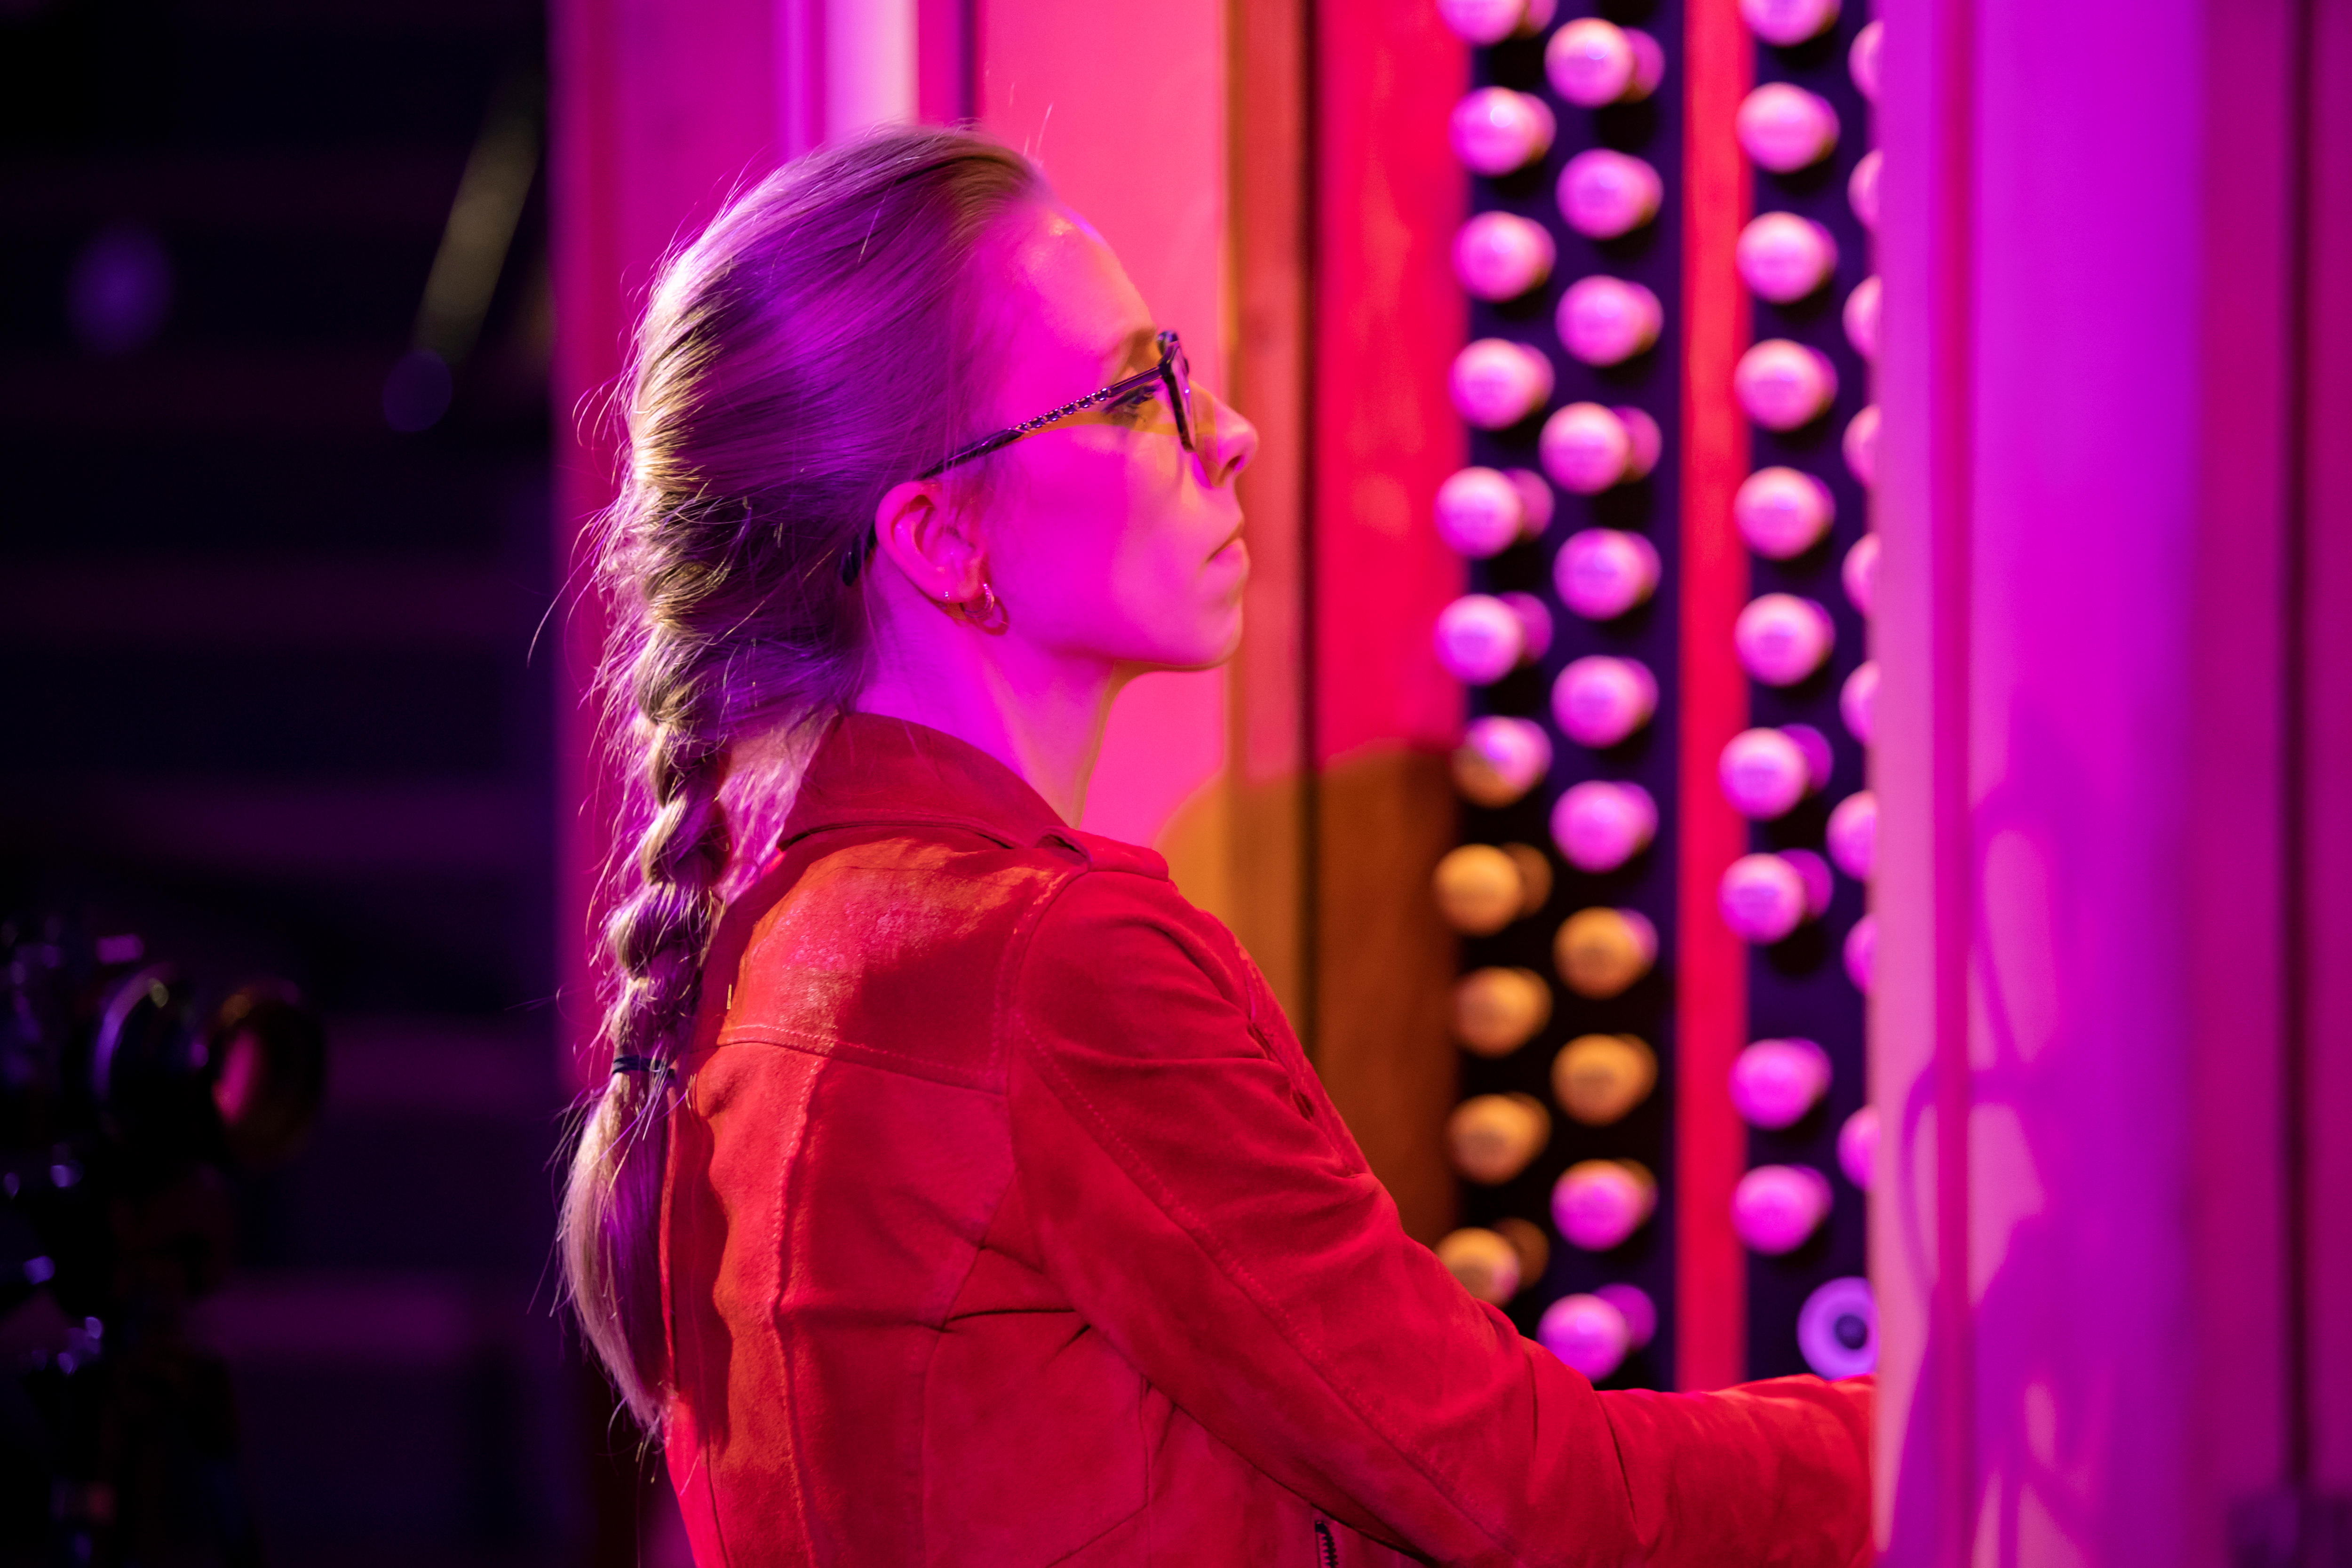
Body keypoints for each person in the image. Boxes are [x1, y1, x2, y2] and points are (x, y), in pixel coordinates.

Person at [560, 126, 1872, 1567]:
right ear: (943, 540)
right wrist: (1918, 1429)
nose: (1226, 431)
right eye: (1138, 396)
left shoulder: (779, 939)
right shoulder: (1048, 964)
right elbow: (1527, 1498)